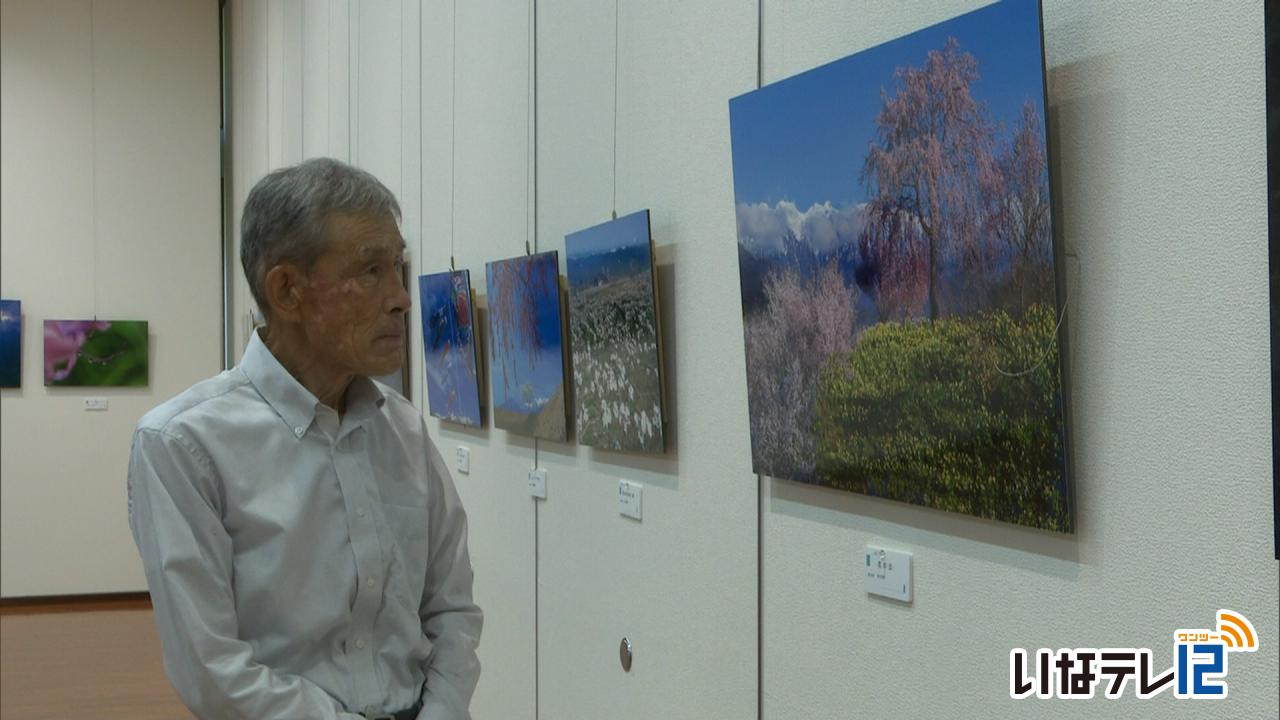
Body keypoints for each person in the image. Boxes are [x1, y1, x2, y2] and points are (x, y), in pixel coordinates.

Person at [128, 158, 482, 720]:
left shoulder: (405, 429)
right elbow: (212, 670)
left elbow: (453, 609)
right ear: (287, 290)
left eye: (398, 267)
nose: (401, 298)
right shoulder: (184, 445)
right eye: (370, 271)